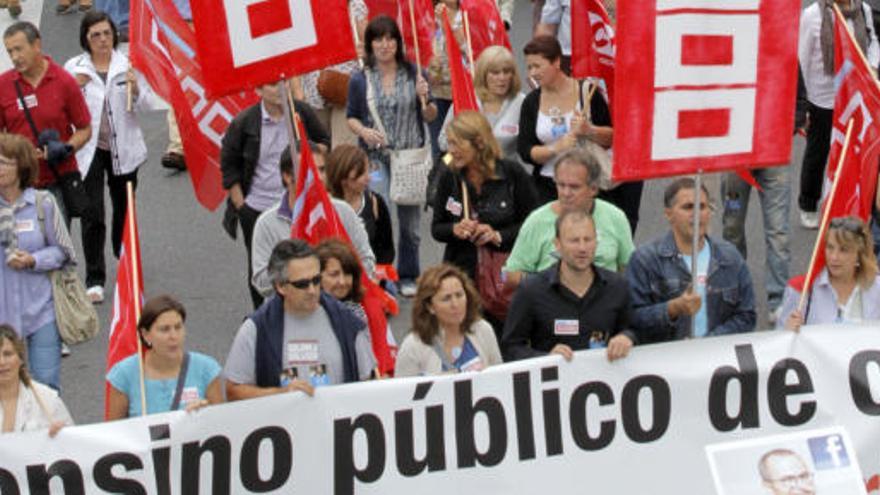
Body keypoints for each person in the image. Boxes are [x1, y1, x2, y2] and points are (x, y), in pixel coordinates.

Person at [65, 11, 159, 304]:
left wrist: (136, 88)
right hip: (89, 149)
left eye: (107, 33)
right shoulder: (73, 68)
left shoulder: (128, 64)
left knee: (124, 208)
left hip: (124, 149)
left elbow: (148, 104)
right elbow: (62, 108)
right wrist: (75, 87)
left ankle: (123, 254)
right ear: (86, 39)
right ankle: (95, 277)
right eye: (96, 35)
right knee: (92, 213)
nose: (103, 40)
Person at [346, 15, 438, 297]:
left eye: (390, 39)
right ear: (370, 44)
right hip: (375, 157)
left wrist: (425, 97)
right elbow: (352, 116)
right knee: (378, 215)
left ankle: (410, 273)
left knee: (410, 224)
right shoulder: (361, 79)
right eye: (378, 39)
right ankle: (380, 273)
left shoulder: (414, 74)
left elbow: (430, 115)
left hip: (409, 155)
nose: (384, 45)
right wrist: (363, 131)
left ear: (398, 43)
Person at [220, 82, 329, 310]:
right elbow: (229, 165)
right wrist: (242, 206)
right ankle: (264, 313)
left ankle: (307, 303)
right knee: (261, 265)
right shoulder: (244, 122)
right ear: (258, 90)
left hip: (298, 204)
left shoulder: (301, 113)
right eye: (271, 85)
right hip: (258, 207)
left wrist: (309, 152)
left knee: (305, 256)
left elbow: (324, 144)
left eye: (284, 82)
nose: (280, 88)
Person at [224, 239, 376, 401]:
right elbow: (232, 389)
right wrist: (280, 394)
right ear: (280, 286)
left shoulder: (348, 323)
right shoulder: (256, 329)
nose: (312, 290)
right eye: (302, 284)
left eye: (316, 280)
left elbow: (369, 383)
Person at [431, 111, 538, 331]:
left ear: (479, 143)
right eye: (449, 143)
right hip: (461, 276)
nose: (451, 150)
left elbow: (532, 225)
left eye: (457, 144)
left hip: (502, 278)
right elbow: (436, 228)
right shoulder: (449, 175)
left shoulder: (511, 173)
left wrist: (498, 235)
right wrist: (455, 229)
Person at [626, 178, 756, 343]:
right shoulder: (645, 260)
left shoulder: (730, 257)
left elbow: (747, 316)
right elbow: (631, 319)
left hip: (718, 361)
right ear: (669, 214)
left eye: (702, 207)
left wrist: (708, 343)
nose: (696, 214)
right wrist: (672, 309)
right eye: (688, 207)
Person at [502, 209, 635, 362]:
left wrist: (627, 337)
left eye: (588, 239)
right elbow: (510, 347)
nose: (582, 248)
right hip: (554, 382)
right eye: (574, 241)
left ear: (596, 242)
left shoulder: (617, 287)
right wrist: (546, 358)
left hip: (606, 380)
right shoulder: (531, 291)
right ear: (557, 244)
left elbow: (635, 328)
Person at [250, 146, 376, 298]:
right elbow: (261, 283)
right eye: (308, 170)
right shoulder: (267, 224)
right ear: (287, 177)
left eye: (322, 170)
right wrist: (302, 274)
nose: (319, 177)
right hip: (290, 313)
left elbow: (367, 262)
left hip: (341, 307)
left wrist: (338, 279)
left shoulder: (343, 212)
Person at [0, 133, 74, 391]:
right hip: (3, 318)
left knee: (46, 387)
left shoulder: (44, 203)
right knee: (6, 390)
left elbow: (64, 252)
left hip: (42, 310)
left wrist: (34, 260)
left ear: (21, 166)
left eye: (4, 162)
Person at [798, 0, 879, 228]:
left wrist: (871, 66)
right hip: (821, 98)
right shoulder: (813, 16)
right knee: (818, 152)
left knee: (851, 152)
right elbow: (801, 60)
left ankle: (842, 202)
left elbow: (873, 42)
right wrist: (803, 103)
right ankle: (808, 203)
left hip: (854, 96)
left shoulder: (862, 10)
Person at [0, 22, 92, 223]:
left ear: (37, 45)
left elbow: (84, 128)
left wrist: (67, 148)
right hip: (18, 184)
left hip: (56, 182)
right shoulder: (3, 86)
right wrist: (15, 153)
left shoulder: (64, 81)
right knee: (21, 248)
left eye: (19, 49)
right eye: (10, 51)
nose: (15, 57)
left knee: (58, 248)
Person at [503, 149, 633, 289]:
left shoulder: (615, 217)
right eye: (561, 185)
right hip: (551, 305)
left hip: (603, 305)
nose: (566, 193)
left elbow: (630, 269)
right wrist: (548, 285)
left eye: (574, 187)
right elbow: (508, 275)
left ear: (594, 189)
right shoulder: (537, 221)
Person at [517, 35, 612, 205]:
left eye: (538, 66)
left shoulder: (587, 92)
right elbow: (525, 150)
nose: (532, 73)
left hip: (587, 184)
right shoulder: (531, 102)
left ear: (556, 62)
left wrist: (590, 130)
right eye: (529, 67)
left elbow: (611, 137)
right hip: (547, 186)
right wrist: (555, 149)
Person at [106, 295, 223, 418]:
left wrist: (207, 413)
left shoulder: (206, 369)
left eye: (178, 327)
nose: (173, 336)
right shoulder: (124, 375)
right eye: (164, 330)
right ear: (145, 335)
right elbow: (114, 432)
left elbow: (222, 424)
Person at [396, 263, 502, 376]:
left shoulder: (483, 330)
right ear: (430, 306)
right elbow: (402, 391)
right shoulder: (413, 346)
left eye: (459, 295)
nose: (455, 304)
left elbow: (499, 378)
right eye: (446, 298)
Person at [778, 216, 880, 331]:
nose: (834, 257)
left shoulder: (876, 287)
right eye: (830, 248)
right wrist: (788, 330)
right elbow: (779, 341)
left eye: (843, 250)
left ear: (859, 254)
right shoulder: (803, 290)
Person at [438, 45, 527, 169]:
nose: (502, 78)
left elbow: (528, 147)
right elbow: (443, 141)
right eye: (495, 73)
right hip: (468, 175)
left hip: (506, 178)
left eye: (507, 72)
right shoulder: (466, 100)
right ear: (483, 75)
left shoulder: (521, 102)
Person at [315, 239, 394, 376]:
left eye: (347, 274)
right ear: (317, 277)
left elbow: (369, 361)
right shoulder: (308, 314)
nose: (342, 282)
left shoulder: (359, 311)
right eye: (334, 274)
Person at [721, 167, 791, 323]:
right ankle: (733, 294)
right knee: (732, 228)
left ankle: (779, 301)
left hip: (773, 155)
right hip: (737, 158)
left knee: (778, 233)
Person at [298, 0, 368, 148]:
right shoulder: (300, 6)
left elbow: (370, 44)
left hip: (345, 89)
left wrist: (365, 50)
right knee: (319, 152)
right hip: (312, 93)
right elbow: (293, 54)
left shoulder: (353, 3)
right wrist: (297, 91)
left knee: (342, 153)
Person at [325, 144, 394, 267]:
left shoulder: (375, 202)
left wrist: (375, 276)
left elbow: (386, 251)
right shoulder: (324, 207)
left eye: (368, 170)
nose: (368, 178)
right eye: (361, 174)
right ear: (343, 179)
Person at [0, 325, 72, 436]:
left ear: (20, 359)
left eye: (8, 354)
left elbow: (74, 444)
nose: (2, 362)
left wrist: (61, 434)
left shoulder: (48, 399)